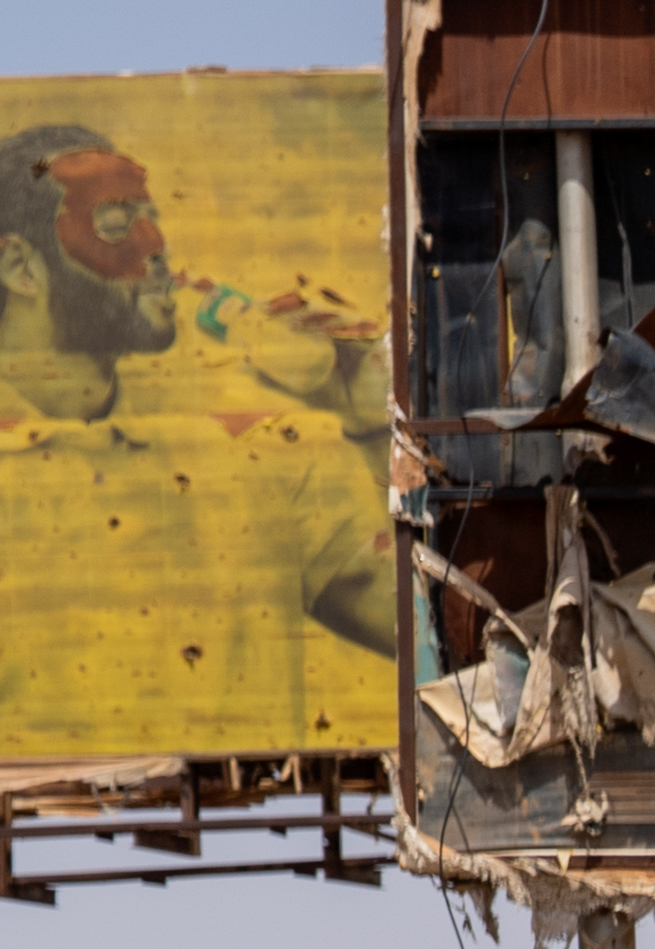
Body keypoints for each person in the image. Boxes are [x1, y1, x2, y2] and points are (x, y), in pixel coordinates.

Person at [0, 123, 392, 763]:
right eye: (117, 224)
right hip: (65, 839)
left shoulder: (255, 459)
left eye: (153, 220)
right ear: (20, 266)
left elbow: (434, 643)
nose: (157, 249)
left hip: (258, 844)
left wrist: (371, 422)